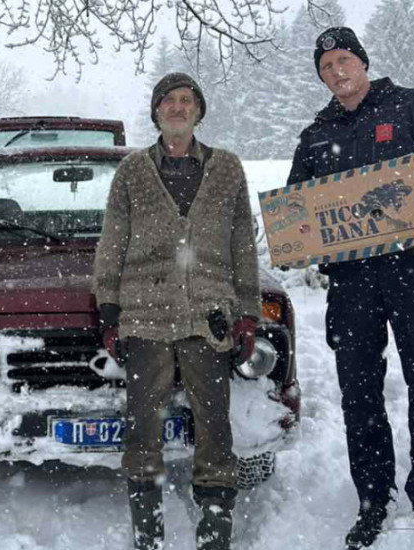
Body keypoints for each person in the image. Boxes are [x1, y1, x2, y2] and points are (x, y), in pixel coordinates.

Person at [287, 27, 414, 550]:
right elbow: (295, 206)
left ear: (363, 62)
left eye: (344, 59)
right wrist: (297, 236)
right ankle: (374, 497)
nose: (336, 71)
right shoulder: (314, 136)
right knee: (359, 391)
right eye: (326, 66)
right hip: (352, 283)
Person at [92, 73, 261, 550]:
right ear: (156, 112)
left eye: (187, 100)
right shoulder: (132, 172)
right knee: (142, 425)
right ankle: (148, 534)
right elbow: (113, 243)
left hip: (209, 317)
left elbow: (242, 244)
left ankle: (214, 533)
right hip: (145, 317)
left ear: (199, 110)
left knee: (215, 426)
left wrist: (246, 312)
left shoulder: (227, 168)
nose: (178, 107)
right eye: (169, 101)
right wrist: (109, 310)